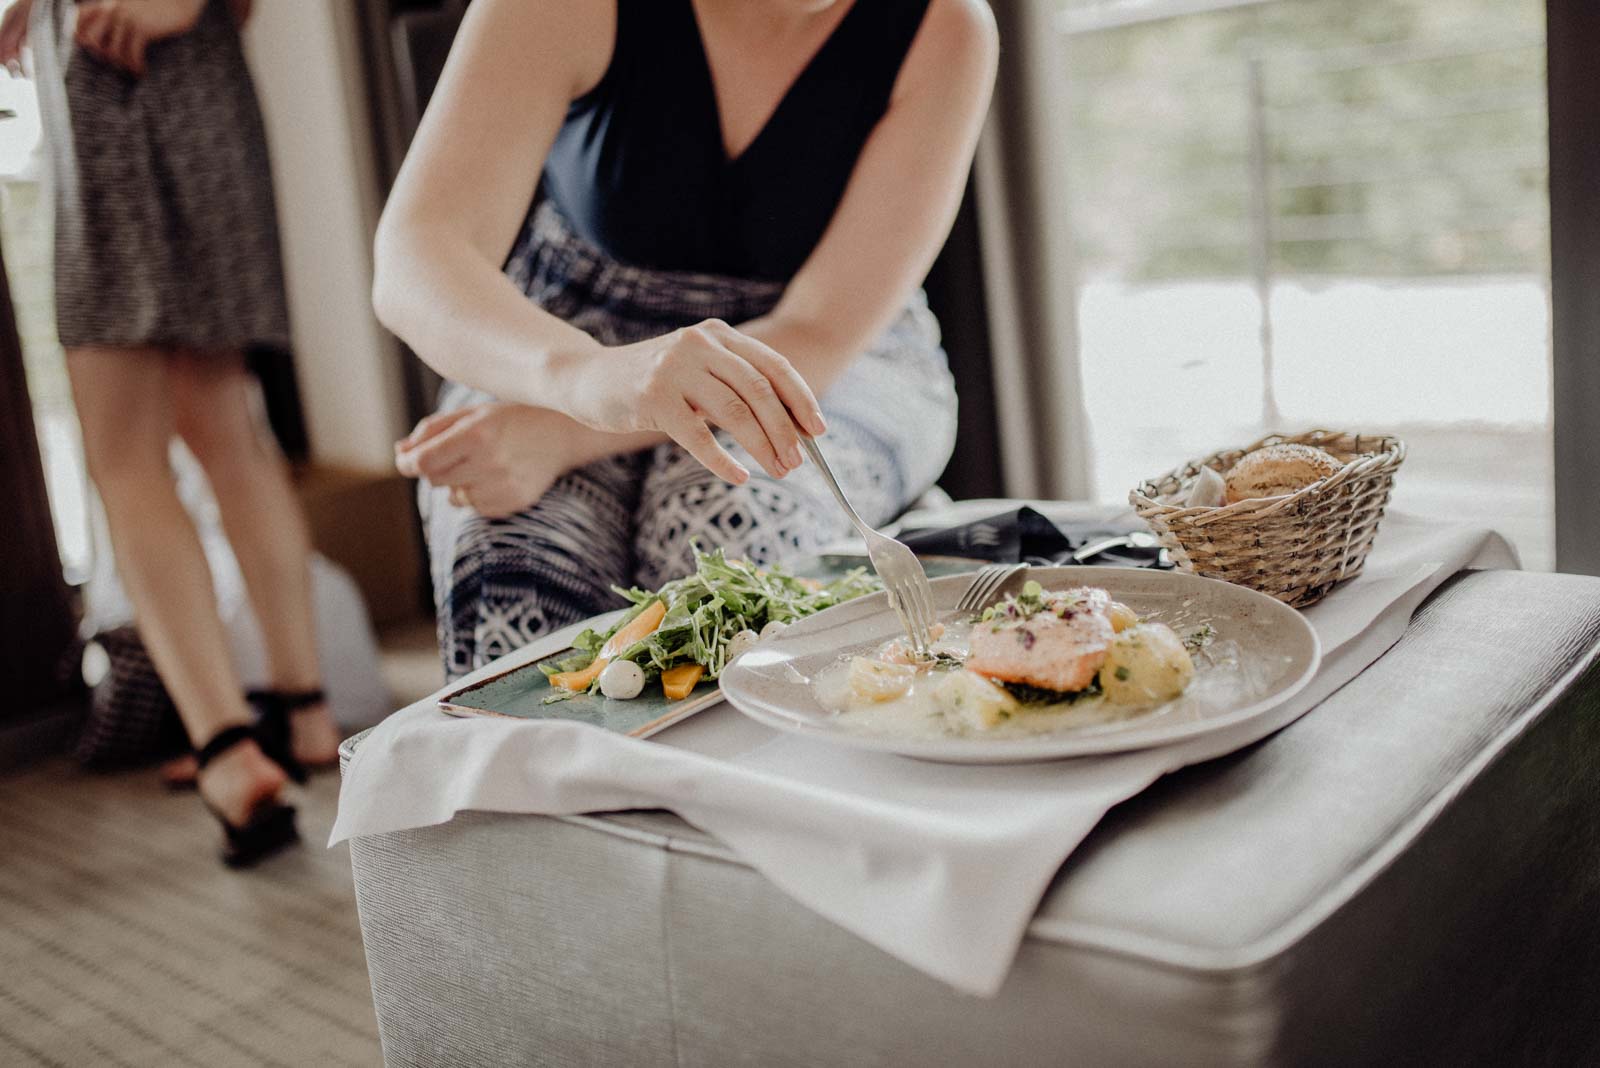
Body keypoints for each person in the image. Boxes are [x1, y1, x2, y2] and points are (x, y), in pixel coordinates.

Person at [377, 0, 998, 679]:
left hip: (831, 357)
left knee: (730, 532)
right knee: (514, 561)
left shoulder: (947, 27)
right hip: (565, 336)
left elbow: (817, 330)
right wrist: (583, 380)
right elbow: (419, 254)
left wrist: (570, 432)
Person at [0, 0, 339, 866]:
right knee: (228, 429)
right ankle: (302, 711)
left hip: (123, 94)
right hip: (197, 91)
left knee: (124, 457)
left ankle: (229, 752)